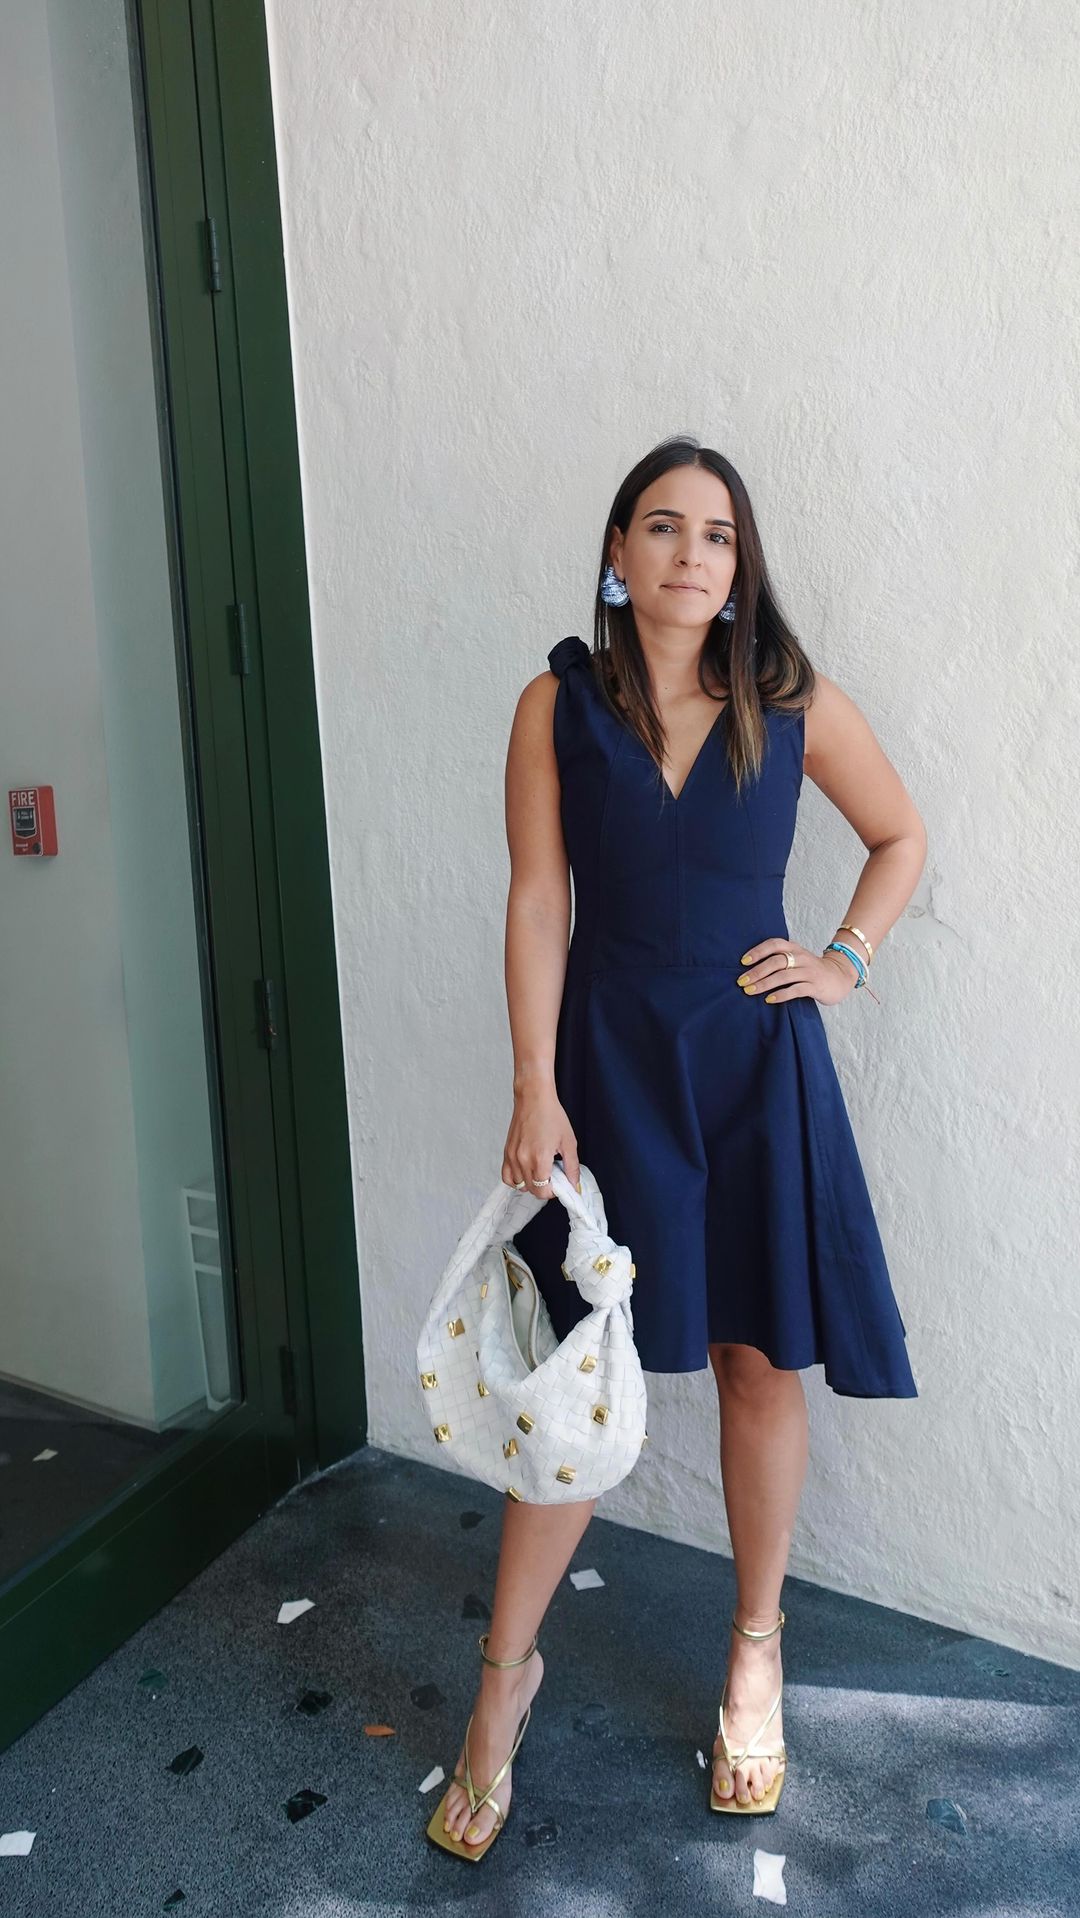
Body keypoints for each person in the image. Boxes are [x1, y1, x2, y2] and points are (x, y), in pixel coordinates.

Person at [432, 435, 927, 1858]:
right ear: (618, 551)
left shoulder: (790, 699)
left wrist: (841, 959)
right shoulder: (555, 705)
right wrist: (534, 1081)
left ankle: (755, 1650)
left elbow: (898, 836)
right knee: (568, 1378)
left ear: (740, 566)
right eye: (663, 526)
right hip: (606, 1077)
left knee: (757, 1363)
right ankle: (502, 1680)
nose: (693, 554)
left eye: (718, 535)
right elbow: (539, 900)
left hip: (758, 1071)